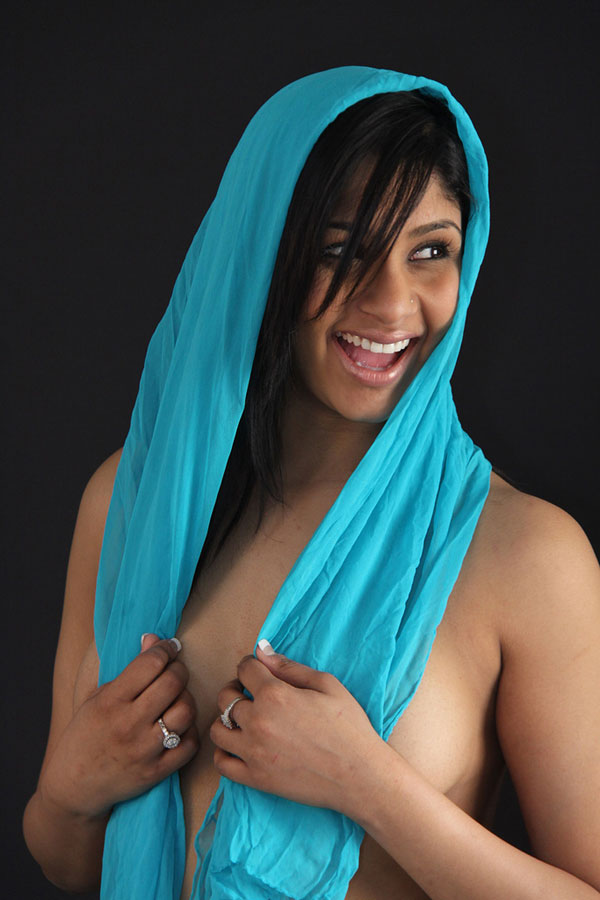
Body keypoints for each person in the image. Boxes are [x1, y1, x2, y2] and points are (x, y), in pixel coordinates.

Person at [23, 67, 600, 900]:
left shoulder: (528, 557)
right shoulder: (128, 502)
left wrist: (368, 784)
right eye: (339, 250)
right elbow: (66, 861)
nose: (392, 303)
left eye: (430, 251)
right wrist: (71, 792)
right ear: (261, 253)